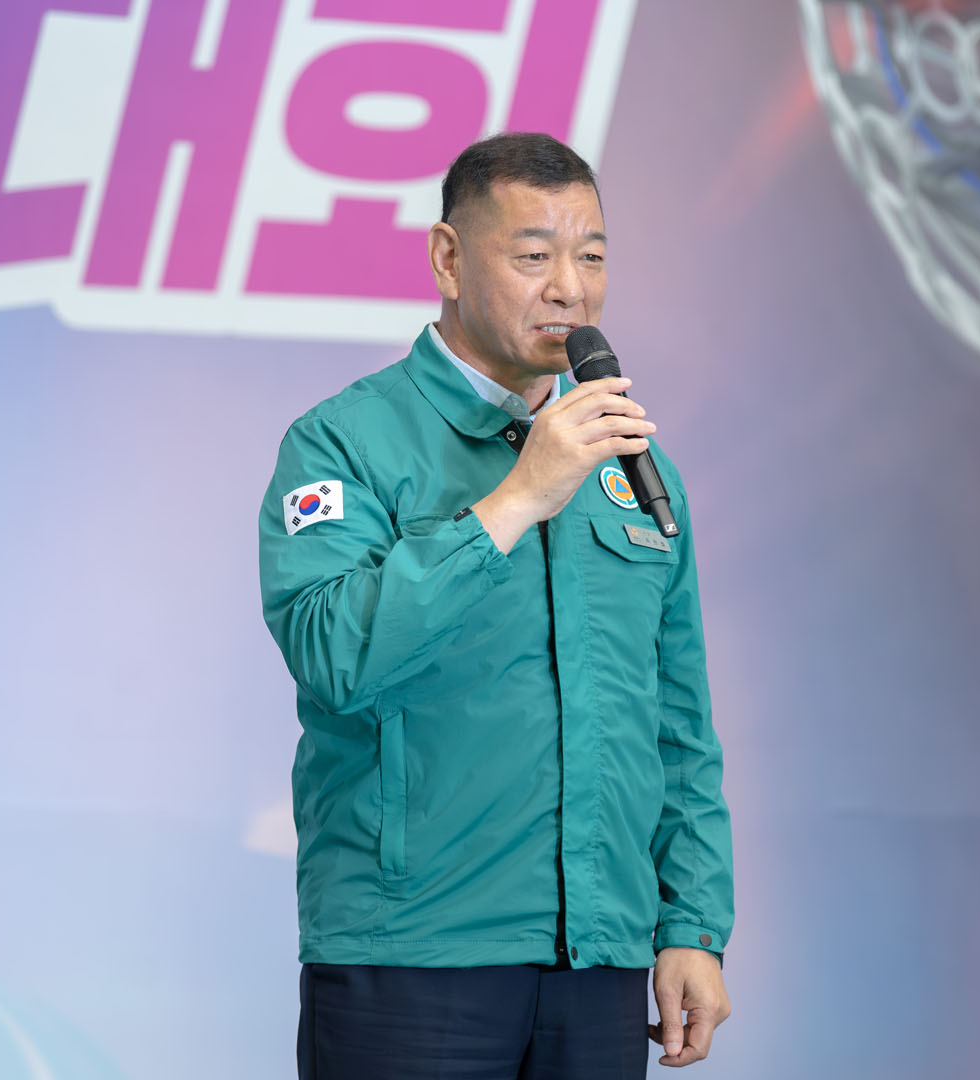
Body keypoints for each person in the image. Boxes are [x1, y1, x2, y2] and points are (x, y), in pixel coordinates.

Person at [259, 132, 734, 1079]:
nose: (570, 289)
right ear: (448, 258)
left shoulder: (635, 469)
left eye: (591, 256)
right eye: (533, 256)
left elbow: (677, 720)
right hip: (413, 952)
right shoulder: (342, 443)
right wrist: (514, 501)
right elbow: (333, 654)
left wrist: (690, 924)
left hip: (599, 957)